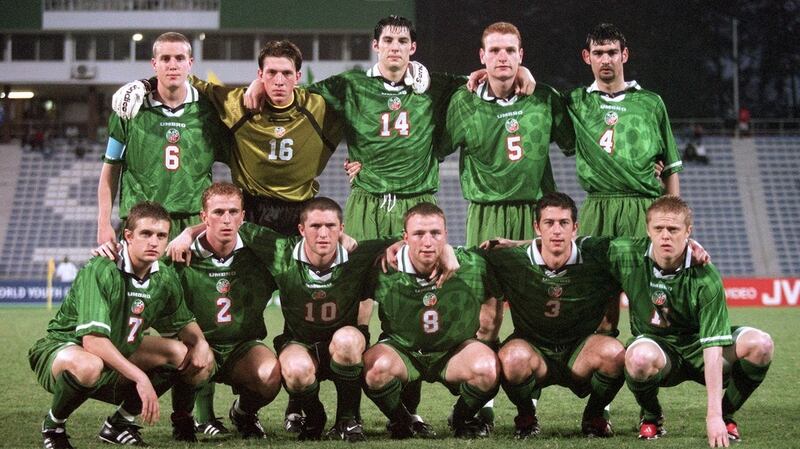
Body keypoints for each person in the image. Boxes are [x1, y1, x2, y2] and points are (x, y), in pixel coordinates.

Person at [29, 201, 213, 449]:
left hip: (119, 347)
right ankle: (54, 425)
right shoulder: (102, 268)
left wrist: (201, 344)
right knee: (89, 364)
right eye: (146, 233)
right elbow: (92, 341)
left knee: (183, 354)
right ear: (128, 236)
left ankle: (119, 424)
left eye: (161, 236)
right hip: (65, 348)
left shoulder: (165, 277)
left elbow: (187, 327)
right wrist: (141, 378)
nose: (154, 242)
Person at [607, 196, 773, 446]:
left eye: (673, 229)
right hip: (658, 349)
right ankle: (652, 416)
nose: (665, 236)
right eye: (658, 229)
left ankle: (727, 415)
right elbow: (569, 246)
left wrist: (713, 414)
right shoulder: (625, 252)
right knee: (638, 358)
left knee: (761, 345)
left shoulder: (706, 277)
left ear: (688, 231)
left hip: (698, 348)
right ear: (647, 229)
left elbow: (713, 346)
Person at [482, 192, 624, 438]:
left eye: (564, 223)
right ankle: (526, 417)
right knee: (511, 358)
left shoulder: (597, 255)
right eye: (549, 223)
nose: (557, 230)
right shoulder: (510, 260)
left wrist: (690, 247)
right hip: (534, 350)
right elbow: (464, 256)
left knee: (616, 354)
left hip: (580, 351)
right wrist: (402, 248)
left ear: (575, 228)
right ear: (537, 227)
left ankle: (595, 415)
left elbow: (642, 249)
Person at [362, 203, 500, 439]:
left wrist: (486, 339)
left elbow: (495, 295)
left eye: (435, 233)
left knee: (488, 368)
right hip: (403, 350)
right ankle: (402, 421)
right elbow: (348, 249)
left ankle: (461, 418)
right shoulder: (383, 268)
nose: (427, 242)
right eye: (418, 234)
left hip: (453, 352)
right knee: (374, 370)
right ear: (404, 237)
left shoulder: (472, 265)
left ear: (446, 235)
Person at [166, 182, 282, 441]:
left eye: (233, 212)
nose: (226, 219)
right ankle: (182, 418)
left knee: (270, 373)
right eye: (218, 212)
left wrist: (341, 240)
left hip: (242, 348)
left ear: (243, 216)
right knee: (192, 357)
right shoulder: (180, 255)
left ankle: (244, 413)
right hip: (197, 346)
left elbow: (304, 248)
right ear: (204, 217)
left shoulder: (261, 251)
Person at [97, 32, 231, 245]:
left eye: (179, 58)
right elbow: (110, 169)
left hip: (193, 224)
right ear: (154, 64)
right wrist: (103, 224)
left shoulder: (210, 112)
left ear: (190, 63)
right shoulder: (129, 110)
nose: (172, 65)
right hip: (142, 223)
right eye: (165, 58)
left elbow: (237, 164)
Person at [565, 23, 682, 239]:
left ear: (624, 55)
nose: (606, 60)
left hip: (642, 207)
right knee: (594, 272)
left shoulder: (651, 103)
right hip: (596, 207)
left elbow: (670, 168)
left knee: (641, 272)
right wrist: (523, 73)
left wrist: (672, 222)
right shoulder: (575, 102)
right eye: (598, 53)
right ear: (586, 56)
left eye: (612, 52)